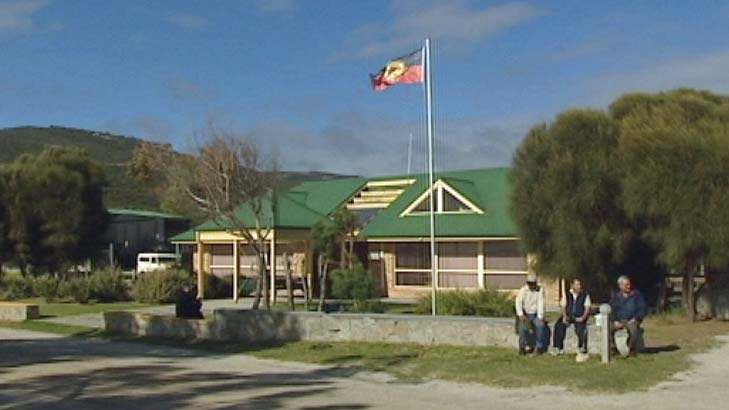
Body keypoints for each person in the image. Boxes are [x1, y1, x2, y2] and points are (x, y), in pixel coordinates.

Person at [551, 278, 591, 356]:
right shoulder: (567, 294)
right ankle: (558, 347)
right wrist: (565, 316)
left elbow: (587, 308)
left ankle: (581, 347)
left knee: (581, 328)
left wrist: (583, 317)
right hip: (569, 315)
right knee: (558, 326)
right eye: (577, 285)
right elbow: (563, 306)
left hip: (579, 316)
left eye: (579, 284)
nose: (579, 286)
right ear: (572, 285)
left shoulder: (585, 295)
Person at [609, 275, 647, 356]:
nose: (628, 287)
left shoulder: (637, 295)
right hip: (619, 320)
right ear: (620, 286)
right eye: (626, 285)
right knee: (608, 328)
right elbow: (611, 310)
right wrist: (615, 320)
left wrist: (636, 318)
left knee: (633, 329)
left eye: (629, 284)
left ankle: (632, 349)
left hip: (632, 320)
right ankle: (613, 348)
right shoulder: (616, 298)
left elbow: (642, 308)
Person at [516, 273, 547, 355]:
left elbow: (541, 303)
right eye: (530, 283)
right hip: (526, 314)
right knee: (523, 328)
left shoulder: (540, 290)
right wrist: (521, 314)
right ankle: (522, 347)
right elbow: (518, 302)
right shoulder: (523, 290)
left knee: (540, 326)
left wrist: (540, 316)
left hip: (536, 313)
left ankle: (539, 347)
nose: (531, 285)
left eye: (533, 283)